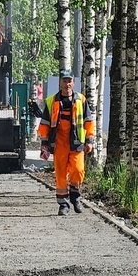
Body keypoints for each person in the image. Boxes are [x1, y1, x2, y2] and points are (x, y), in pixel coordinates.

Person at [38, 70, 94, 215]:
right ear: (60, 82)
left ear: (73, 83)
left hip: (76, 143)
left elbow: (88, 121)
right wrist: (44, 144)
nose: (67, 84)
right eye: (64, 81)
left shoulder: (81, 100)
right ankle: (63, 205)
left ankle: (75, 196)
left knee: (78, 170)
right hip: (59, 143)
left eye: (69, 81)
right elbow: (44, 124)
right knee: (61, 174)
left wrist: (90, 140)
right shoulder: (51, 101)